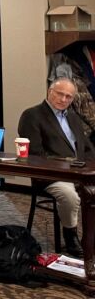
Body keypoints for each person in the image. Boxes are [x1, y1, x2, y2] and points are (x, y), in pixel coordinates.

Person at [19, 77, 95, 258]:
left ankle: (91, 237)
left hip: (80, 172)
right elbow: (35, 155)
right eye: (60, 94)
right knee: (69, 196)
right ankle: (70, 236)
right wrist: (67, 164)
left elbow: (87, 148)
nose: (63, 100)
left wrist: (89, 167)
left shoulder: (73, 117)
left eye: (69, 97)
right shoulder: (32, 115)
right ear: (49, 91)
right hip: (51, 176)